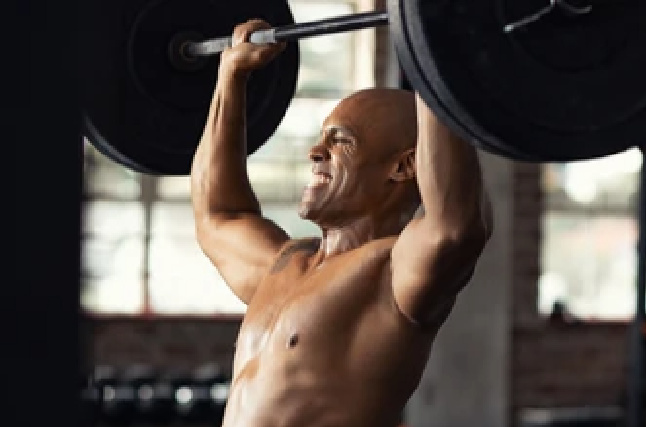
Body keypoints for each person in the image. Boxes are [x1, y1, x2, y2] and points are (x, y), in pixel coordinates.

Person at [190, 19, 493, 427]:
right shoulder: (286, 265)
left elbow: (456, 226)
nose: (316, 152)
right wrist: (231, 75)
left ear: (403, 166)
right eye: (322, 139)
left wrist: (431, 47)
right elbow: (218, 215)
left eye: (341, 141)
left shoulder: (390, 276)